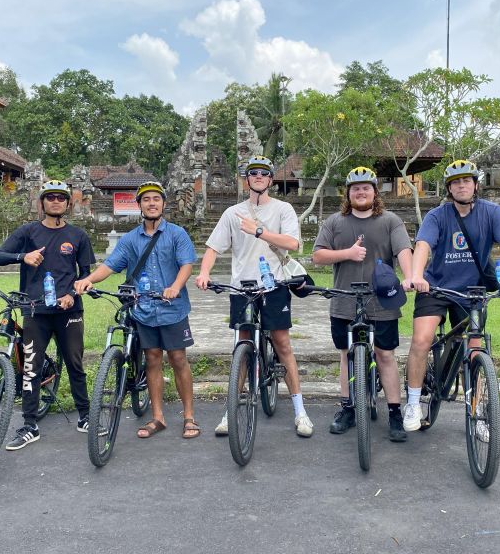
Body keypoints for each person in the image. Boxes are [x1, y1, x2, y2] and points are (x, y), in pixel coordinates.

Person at [405, 159, 500, 432]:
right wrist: (417, 276)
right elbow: (422, 246)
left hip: (473, 292)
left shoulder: (492, 213)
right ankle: (414, 402)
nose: (461, 185)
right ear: (449, 188)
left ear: (475, 185)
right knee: (421, 340)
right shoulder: (437, 216)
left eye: (466, 180)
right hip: (437, 287)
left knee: (475, 348)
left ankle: (478, 413)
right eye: (455, 182)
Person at [195, 155, 314, 438]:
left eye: (263, 173)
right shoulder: (232, 213)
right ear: (246, 179)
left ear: (271, 179)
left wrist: (259, 230)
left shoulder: (283, 209)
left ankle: (300, 410)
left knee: (283, 344)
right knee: (242, 346)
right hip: (243, 288)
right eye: (253, 173)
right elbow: (213, 247)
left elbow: (293, 244)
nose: (258, 176)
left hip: (274, 286)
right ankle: (230, 410)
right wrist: (203, 272)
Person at [75, 181, 200, 439]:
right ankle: (158, 417)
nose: (151, 203)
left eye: (156, 199)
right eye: (146, 200)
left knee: (178, 359)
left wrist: (175, 286)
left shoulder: (177, 234)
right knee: (152, 359)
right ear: (139, 205)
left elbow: (186, 265)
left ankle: (189, 416)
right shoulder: (131, 239)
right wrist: (89, 279)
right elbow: (110, 265)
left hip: (172, 308)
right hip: (143, 309)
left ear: (164, 204)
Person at [0, 180, 95, 451]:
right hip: (35, 310)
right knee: (30, 367)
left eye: (61, 198)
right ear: (42, 203)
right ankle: (29, 424)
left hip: (69, 310)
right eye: (50, 198)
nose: (56, 201)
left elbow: (86, 274)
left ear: (68, 203)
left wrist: (73, 294)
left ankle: (86, 416)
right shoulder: (28, 232)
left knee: (75, 364)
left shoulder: (78, 236)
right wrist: (22, 257)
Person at [312, 166, 414, 442]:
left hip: (382, 299)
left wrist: (411, 276)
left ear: (374, 191)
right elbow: (318, 256)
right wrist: (348, 253)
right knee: (346, 355)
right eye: (355, 188)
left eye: (366, 187)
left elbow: (404, 251)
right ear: (348, 193)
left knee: (385, 355)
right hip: (344, 299)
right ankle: (347, 407)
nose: (360, 192)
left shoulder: (391, 220)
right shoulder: (335, 221)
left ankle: (394, 412)